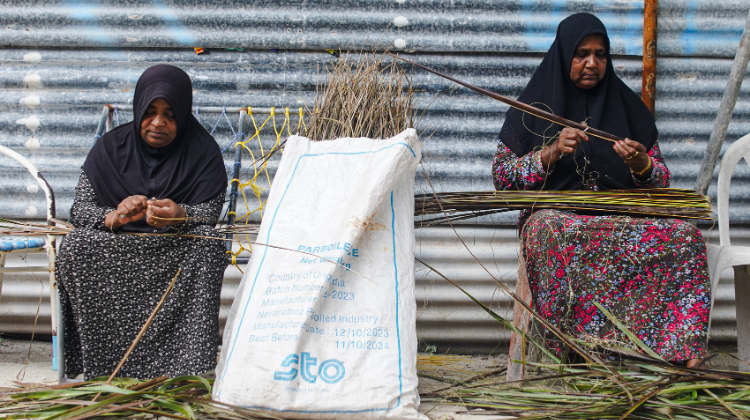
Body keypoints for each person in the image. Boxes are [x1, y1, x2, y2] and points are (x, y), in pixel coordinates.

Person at [493, 13, 710, 367]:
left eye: (600, 54)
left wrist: (643, 166)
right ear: (564, 56)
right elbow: (502, 177)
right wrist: (548, 153)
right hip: (558, 221)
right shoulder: (534, 108)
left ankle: (675, 355)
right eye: (581, 54)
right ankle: (571, 349)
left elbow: (660, 180)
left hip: (620, 220)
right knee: (547, 230)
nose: (592, 63)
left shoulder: (627, 108)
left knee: (685, 236)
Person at [57, 64, 228, 380]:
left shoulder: (203, 152)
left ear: (183, 114)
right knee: (76, 244)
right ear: (138, 108)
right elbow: (79, 212)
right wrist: (115, 216)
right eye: (149, 112)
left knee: (208, 246)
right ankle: (104, 369)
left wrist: (180, 214)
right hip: (116, 247)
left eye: (170, 114)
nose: (158, 123)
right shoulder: (110, 148)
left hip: (172, 248)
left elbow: (208, 215)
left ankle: (185, 370)